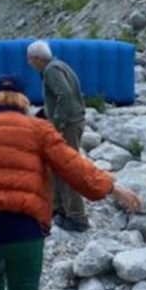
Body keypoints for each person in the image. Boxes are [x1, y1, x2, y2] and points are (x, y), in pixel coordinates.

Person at [0, 75, 141, 290]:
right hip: (23, 232)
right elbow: (73, 166)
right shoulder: (39, 129)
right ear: (24, 102)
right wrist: (111, 187)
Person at [27, 39, 90, 232]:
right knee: (56, 166)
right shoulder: (60, 64)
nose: (29, 63)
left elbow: (65, 95)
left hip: (68, 125)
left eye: (30, 60)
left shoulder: (50, 71)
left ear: (38, 58)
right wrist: (44, 113)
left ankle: (77, 217)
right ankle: (59, 208)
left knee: (66, 168)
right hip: (73, 121)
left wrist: (56, 123)